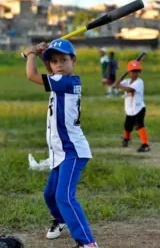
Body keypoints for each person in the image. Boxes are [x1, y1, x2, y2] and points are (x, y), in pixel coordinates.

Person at [23, 39, 98, 248]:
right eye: (55, 61)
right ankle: (61, 219)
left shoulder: (70, 81)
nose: (60, 65)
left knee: (64, 196)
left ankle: (87, 243)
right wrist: (39, 54)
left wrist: (31, 54)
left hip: (73, 151)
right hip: (59, 153)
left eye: (64, 60)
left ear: (73, 61)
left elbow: (32, 75)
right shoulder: (58, 80)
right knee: (50, 195)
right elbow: (47, 71)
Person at [115, 60, 150, 152]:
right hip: (129, 109)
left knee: (139, 125)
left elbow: (130, 90)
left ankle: (145, 145)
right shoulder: (127, 81)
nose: (134, 73)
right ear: (129, 72)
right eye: (132, 71)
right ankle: (127, 139)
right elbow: (117, 84)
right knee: (127, 126)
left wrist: (119, 86)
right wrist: (118, 82)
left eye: (136, 71)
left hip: (139, 108)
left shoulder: (139, 82)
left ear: (139, 72)